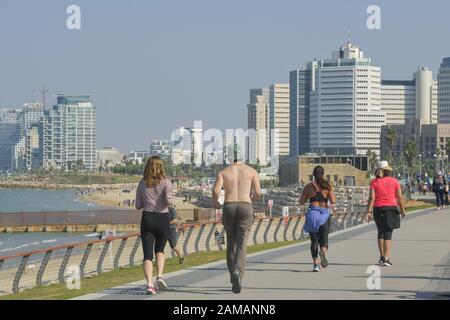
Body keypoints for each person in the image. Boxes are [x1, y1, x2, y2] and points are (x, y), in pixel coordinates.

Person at [212, 158, 261, 294]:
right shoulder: (251, 171)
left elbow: (216, 191)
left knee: (231, 242)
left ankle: (233, 273)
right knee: (242, 242)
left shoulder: (223, 172)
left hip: (229, 205)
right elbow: (258, 192)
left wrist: (216, 203)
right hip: (245, 205)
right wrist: (251, 200)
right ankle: (238, 271)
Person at [135, 155, 173, 295]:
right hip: (163, 218)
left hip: (147, 218)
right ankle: (160, 276)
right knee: (160, 250)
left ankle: (149, 284)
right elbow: (169, 200)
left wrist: (147, 199)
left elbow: (138, 206)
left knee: (147, 255)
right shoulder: (166, 182)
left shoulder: (142, 183)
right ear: (160, 166)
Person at [366, 161, 406, 267]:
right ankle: (387, 259)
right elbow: (399, 198)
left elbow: (372, 198)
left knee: (380, 232)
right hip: (390, 209)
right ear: (387, 170)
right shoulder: (394, 181)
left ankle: (382, 256)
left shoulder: (374, 182)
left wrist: (368, 211)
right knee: (388, 234)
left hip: (377, 209)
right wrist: (402, 210)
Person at [299, 166, 336, 272]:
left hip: (312, 215)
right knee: (324, 241)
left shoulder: (308, 187)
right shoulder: (327, 186)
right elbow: (333, 201)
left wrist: (307, 195)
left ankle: (315, 264)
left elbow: (301, 202)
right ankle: (323, 251)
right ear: (323, 174)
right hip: (324, 215)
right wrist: (329, 192)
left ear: (313, 175)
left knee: (314, 241)